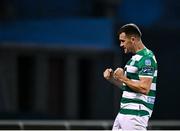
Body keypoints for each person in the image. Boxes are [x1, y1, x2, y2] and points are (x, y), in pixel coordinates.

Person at [103, 23, 158, 130]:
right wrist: (112, 79)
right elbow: (127, 86)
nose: (121, 45)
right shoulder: (134, 59)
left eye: (123, 41)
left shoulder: (147, 59)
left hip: (135, 114)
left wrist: (123, 77)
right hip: (124, 112)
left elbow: (144, 88)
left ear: (132, 39)